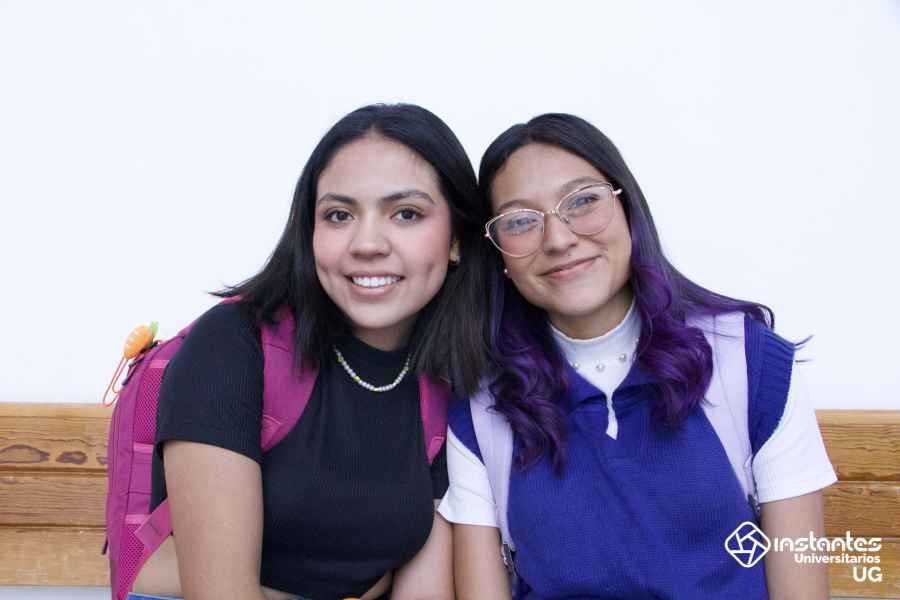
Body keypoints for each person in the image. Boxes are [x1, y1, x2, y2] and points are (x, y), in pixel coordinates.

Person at [438, 113, 838, 599]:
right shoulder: (482, 406)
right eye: (521, 221)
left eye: (582, 201)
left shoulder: (752, 365)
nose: (559, 239)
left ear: (627, 208)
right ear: (498, 252)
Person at [128, 103, 496, 600]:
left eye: (406, 214)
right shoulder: (232, 345)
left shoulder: (448, 375)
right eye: (339, 215)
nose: (367, 244)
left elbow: (424, 584)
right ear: (311, 231)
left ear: (457, 239)